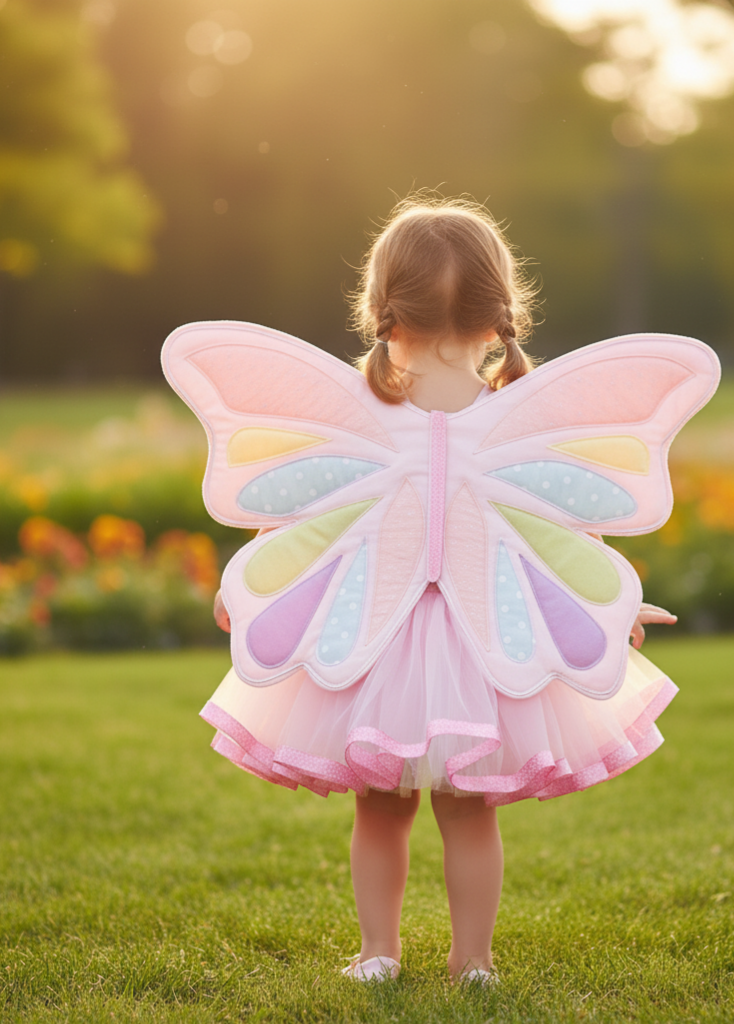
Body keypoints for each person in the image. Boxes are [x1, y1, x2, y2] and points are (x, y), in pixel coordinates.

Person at [203, 196, 680, 985]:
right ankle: (462, 961)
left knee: (384, 809)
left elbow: (544, 524)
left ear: (382, 316)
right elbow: (311, 512)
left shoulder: (503, 423)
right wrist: (259, 589)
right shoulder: (388, 418)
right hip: (385, 631)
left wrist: (608, 604)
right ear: (500, 320)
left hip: (463, 635)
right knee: (466, 812)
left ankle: (386, 953)